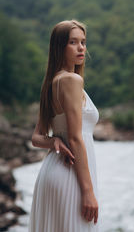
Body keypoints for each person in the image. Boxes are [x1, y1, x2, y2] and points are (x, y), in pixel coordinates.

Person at [28, 19, 99, 232]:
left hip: (53, 172)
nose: (81, 48)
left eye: (83, 42)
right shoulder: (71, 81)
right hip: (70, 177)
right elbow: (76, 138)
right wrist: (88, 191)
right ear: (59, 47)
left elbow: (37, 137)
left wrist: (55, 140)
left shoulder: (52, 82)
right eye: (73, 42)